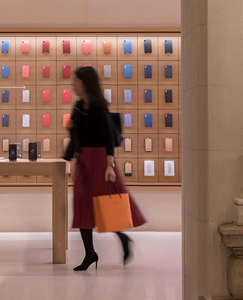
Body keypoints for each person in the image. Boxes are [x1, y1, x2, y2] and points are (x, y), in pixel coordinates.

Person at [64, 66, 147, 271]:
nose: (73, 84)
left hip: (100, 161)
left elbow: (108, 136)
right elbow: (76, 136)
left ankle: (123, 238)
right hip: (84, 160)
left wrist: (110, 165)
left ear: (85, 83)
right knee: (82, 205)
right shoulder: (78, 106)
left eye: (76, 81)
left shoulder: (98, 106)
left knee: (106, 205)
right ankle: (90, 254)